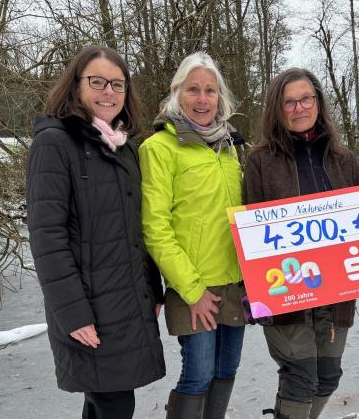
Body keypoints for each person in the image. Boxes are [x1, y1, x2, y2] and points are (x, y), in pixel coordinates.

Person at [26, 46, 166, 418]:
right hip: (88, 307)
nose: (108, 92)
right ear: (76, 86)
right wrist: (73, 314)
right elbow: (47, 238)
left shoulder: (123, 147)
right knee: (115, 403)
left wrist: (152, 286)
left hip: (127, 301)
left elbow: (136, 227)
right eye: (98, 82)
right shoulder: (55, 143)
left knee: (105, 402)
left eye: (117, 84)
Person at [244, 68, 359, 419]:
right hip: (286, 291)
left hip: (337, 292)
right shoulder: (260, 161)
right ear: (277, 110)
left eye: (306, 98)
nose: (299, 108)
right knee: (300, 378)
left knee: (327, 377)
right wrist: (252, 289)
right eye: (289, 102)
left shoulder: (345, 161)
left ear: (318, 102)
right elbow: (252, 232)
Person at [139, 52, 246, 419]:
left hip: (235, 284)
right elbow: (156, 228)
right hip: (194, 286)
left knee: (226, 371)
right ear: (177, 94)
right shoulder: (159, 149)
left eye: (210, 91)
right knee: (198, 374)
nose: (203, 100)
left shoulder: (229, 147)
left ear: (220, 97)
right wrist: (193, 290)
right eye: (193, 90)